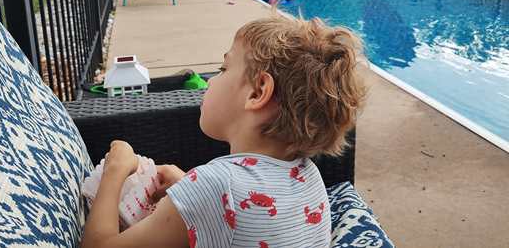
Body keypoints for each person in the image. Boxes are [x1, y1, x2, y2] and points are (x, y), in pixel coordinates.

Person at [81, 15, 366, 248]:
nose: (209, 82)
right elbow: (247, 218)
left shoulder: (216, 186)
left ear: (258, 92)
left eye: (223, 68)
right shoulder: (309, 175)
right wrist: (186, 186)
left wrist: (116, 170)